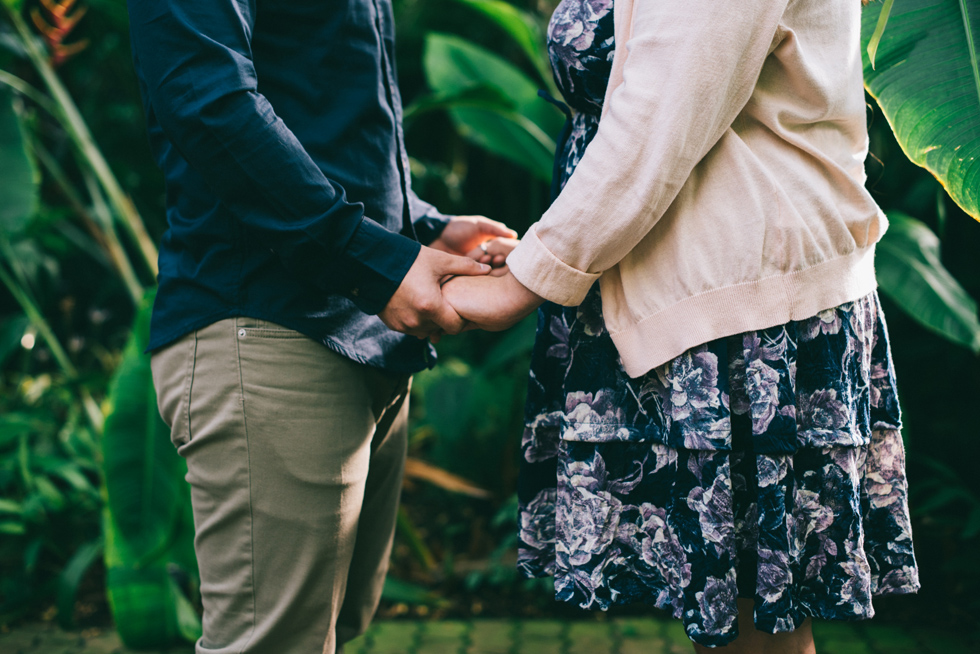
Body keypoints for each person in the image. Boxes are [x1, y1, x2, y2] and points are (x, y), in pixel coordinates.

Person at [444, 0, 920, 651]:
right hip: (690, 290)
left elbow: (659, 117)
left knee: (756, 631)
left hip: (744, 312)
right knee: (736, 627)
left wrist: (528, 277)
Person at [127, 0, 515, 652]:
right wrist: (376, 263)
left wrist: (420, 227)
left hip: (362, 332)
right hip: (266, 324)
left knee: (332, 630)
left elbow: (320, 103)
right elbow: (209, 103)